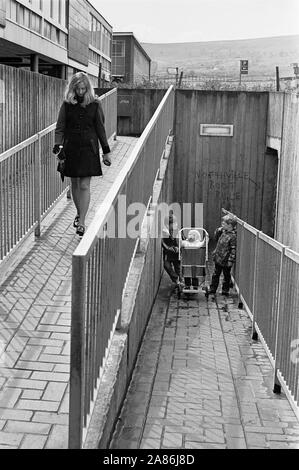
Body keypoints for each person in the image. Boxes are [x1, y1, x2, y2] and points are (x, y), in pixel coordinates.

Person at [53, 72, 112, 237]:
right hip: (70, 149)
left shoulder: (95, 104)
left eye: (83, 88)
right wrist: (58, 145)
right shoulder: (66, 105)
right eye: (77, 88)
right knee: (75, 185)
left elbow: (100, 128)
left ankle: (82, 222)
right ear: (73, 88)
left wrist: (106, 152)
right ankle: (79, 214)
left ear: (87, 88)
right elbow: (60, 128)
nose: (80, 91)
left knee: (85, 185)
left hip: (89, 149)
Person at [208, 214, 237, 296]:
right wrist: (218, 230)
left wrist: (230, 260)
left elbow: (233, 249)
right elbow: (216, 237)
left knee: (226, 275)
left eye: (224, 224)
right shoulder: (223, 232)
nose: (222, 225)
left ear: (230, 225)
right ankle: (213, 289)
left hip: (226, 259)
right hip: (218, 257)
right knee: (215, 274)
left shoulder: (232, 236)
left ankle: (225, 290)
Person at [161, 212, 183, 288]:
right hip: (168, 253)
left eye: (176, 223)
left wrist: (178, 247)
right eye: (174, 223)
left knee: (177, 267)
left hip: (177, 253)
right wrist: (169, 248)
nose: (176, 225)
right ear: (168, 225)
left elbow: (181, 240)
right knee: (167, 265)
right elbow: (163, 243)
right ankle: (176, 279)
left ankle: (180, 281)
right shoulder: (164, 232)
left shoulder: (178, 231)